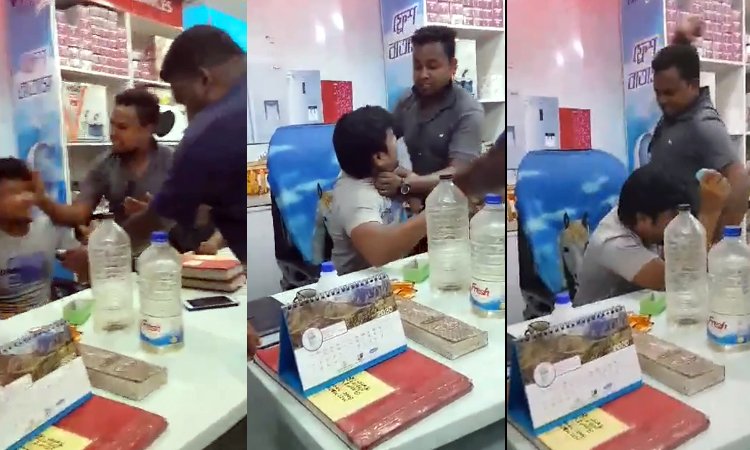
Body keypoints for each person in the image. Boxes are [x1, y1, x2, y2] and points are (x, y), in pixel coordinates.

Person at [121, 25, 246, 263]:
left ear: (204, 79)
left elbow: (155, 220)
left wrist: (100, 249)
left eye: (185, 101)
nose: (189, 117)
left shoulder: (207, 133)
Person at [648, 18, 750, 239]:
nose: (662, 100)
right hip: (671, 237)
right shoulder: (677, 112)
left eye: (669, 93)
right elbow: (677, 67)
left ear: (693, 85)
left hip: (690, 243)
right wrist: (681, 40)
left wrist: (719, 240)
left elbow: (740, 180)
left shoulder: (703, 124)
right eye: (658, 92)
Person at [575, 164, 730, 306]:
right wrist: (710, 213)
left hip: (640, 310)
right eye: (673, 216)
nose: (681, 224)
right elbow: (679, 281)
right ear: (642, 219)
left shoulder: (641, 212)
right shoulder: (612, 242)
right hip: (593, 323)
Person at [375, 25, 484, 204]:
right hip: (419, 200)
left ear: (452, 66)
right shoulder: (407, 102)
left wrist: (406, 184)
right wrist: (393, 170)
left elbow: (458, 172)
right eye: (418, 67)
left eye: (432, 66)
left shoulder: (468, 110)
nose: (423, 74)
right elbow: (383, 140)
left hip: (455, 203)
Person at [327, 106, 427, 275]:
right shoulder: (355, 196)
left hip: (393, 274)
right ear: (379, 158)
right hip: (357, 285)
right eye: (393, 139)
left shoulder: (378, 171)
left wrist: (405, 185)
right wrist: (435, 213)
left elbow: (416, 203)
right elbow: (380, 252)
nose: (398, 143)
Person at [0, 158, 83, 319]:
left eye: (28, 191)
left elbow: (83, 266)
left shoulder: (48, 225)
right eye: (14, 193)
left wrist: (87, 255)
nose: (27, 199)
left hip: (45, 319)